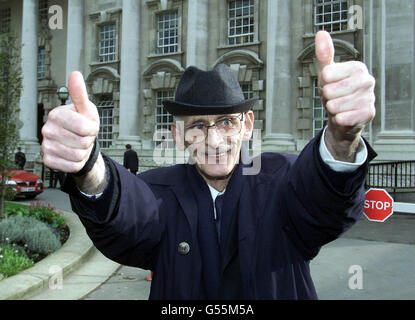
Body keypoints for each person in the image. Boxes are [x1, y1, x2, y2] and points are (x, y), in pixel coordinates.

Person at [41, 31, 377, 299]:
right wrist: (88, 166)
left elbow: (320, 199)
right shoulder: (159, 190)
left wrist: (341, 137)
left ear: (247, 124)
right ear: (177, 134)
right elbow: (128, 213)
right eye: (198, 125)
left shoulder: (281, 180)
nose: (214, 141)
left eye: (226, 122)